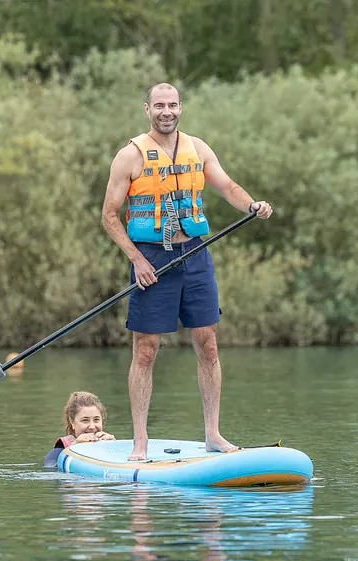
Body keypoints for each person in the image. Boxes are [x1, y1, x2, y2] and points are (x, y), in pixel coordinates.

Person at [101, 82, 273, 461]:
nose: (167, 111)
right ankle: (141, 441)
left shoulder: (198, 148)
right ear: (147, 109)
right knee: (145, 350)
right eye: (159, 105)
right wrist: (137, 259)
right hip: (151, 256)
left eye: (173, 104)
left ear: (181, 108)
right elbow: (109, 216)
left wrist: (252, 205)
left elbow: (228, 186)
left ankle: (212, 433)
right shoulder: (128, 156)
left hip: (195, 252)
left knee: (208, 344)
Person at [43, 391, 116, 468]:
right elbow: (50, 469)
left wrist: (115, 447)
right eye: (85, 420)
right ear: (72, 422)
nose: (92, 426)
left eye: (96, 420)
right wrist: (72, 449)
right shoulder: (57, 453)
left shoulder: (108, 445)